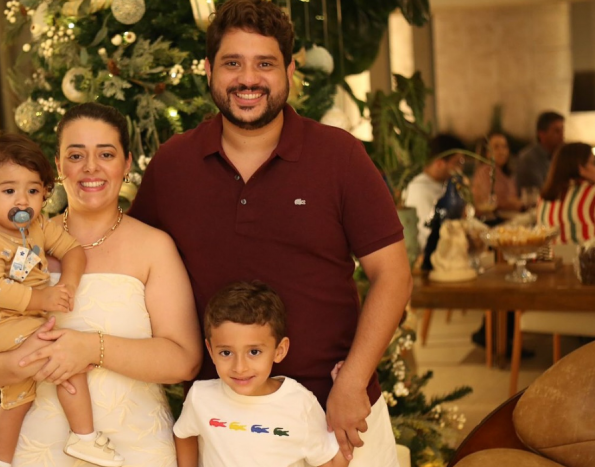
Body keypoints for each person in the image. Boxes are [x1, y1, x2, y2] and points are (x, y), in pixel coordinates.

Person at [130, 1, 413, 464]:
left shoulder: (339, 157)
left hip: (336, 414)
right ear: (208, 70)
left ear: (290, 70)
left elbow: (393, 275)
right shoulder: (172, 166)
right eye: (232, 63)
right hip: (224, 428)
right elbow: (130, 267)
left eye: (265, 63)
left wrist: (352, 381)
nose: (248, 79)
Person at [0, 103, 203, 467]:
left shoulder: (154, 247)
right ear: (57, 166)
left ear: (127, 163)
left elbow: (185, 361)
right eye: (76, 155)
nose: (91, 167)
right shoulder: (17, 240)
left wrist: (90, 348)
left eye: (106, 154)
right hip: (38, 451)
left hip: (134, 451)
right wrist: (21, 361)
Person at [0, 134, 121, 467]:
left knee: (15, 402)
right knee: (67, 361)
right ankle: (84, 438)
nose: (22, 201)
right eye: (9, 191)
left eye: (33, 191)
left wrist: (67, 284)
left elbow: (72, 250)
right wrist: (42, 298)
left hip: (22, 324)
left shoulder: (36, 226)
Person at [174, 281, 349, 467]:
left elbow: (333, 463)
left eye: (254, 352)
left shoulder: (299, 404)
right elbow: (184, 434)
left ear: (279, 350)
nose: (239, 367)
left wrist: (345, 394)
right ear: (211, 351)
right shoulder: (201, 397)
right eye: (226, 353)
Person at [402, 134, 467, 250]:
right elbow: (431, 233)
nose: (460, 169)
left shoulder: (444, 184)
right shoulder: (419, 189)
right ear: (439, 164)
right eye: (457, 163)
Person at [536, 142, 595, 244]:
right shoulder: (591, 194)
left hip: (553, 258)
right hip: (587, 258)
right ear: (581, 168)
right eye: (594, 163)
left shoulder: (543, 198)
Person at [471, 132, 522, 214]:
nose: (502, 151)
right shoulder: (485, 171)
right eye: (496, 147)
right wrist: (513, 203)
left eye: (504, 147)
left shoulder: (507, 174)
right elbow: (487, 202)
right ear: (486, 152)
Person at [516, 111, 565, 193]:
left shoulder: (558, 156)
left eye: (562, 130)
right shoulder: (529, 159)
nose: (562, 136)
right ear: (541, 134)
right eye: (557, 131)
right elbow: (542, 192)